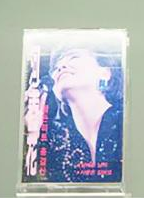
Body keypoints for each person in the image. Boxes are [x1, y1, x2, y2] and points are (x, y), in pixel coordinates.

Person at [23, 44, 123, 183]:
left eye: (74, 57)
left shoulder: (124, 123)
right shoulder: (56, 141)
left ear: (105, 72)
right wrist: (32, 135)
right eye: (56, 67)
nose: (61, 67)